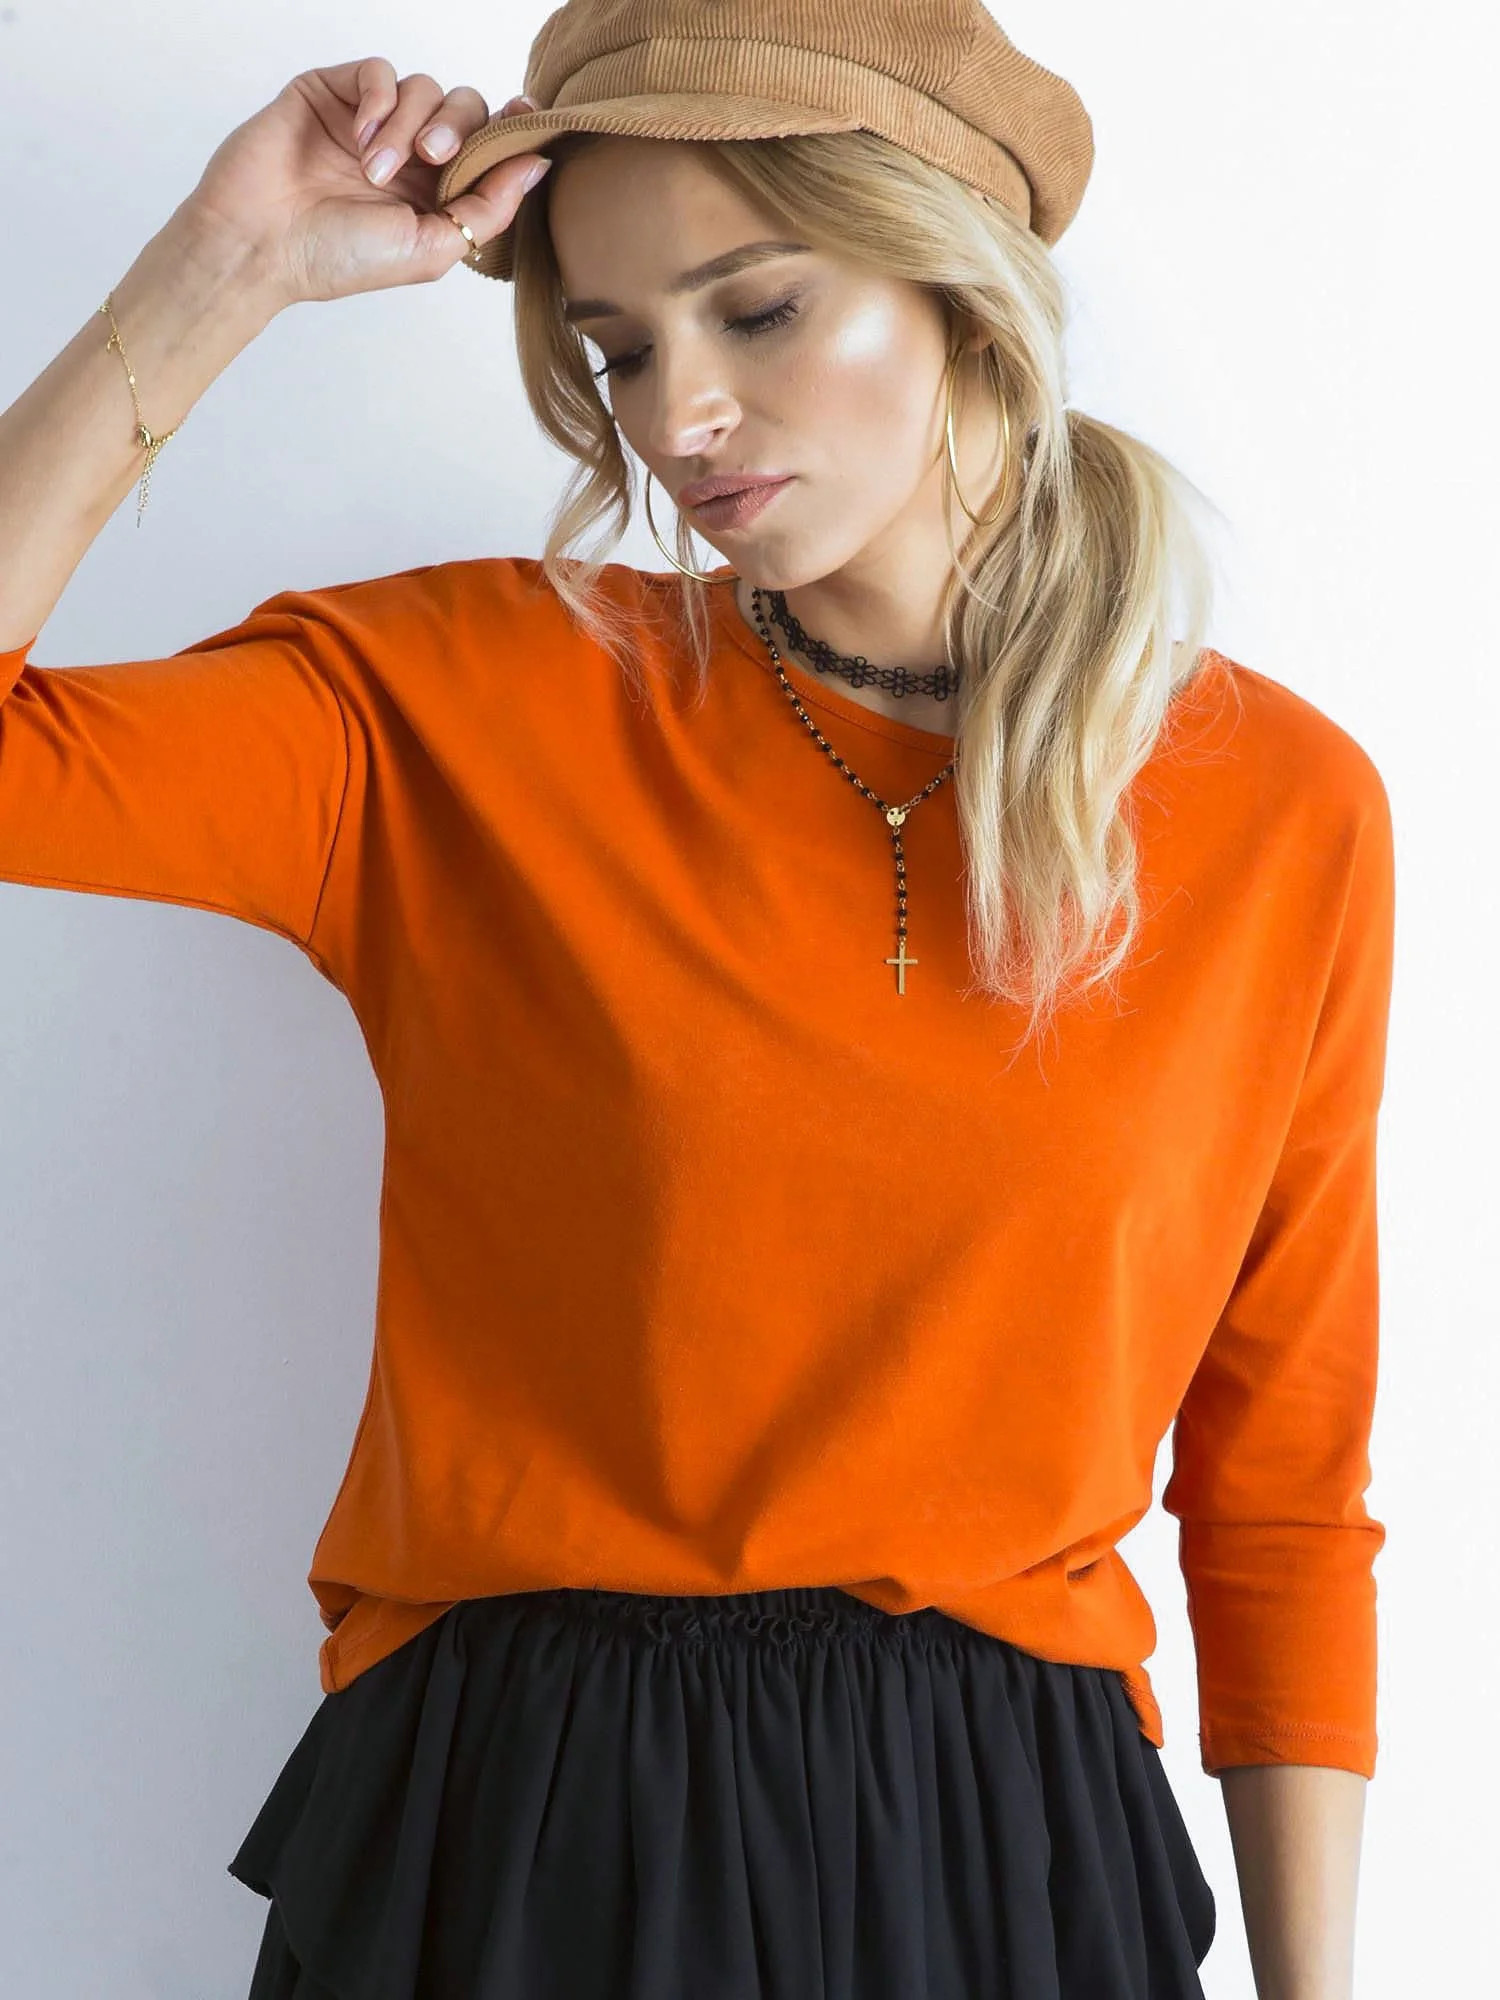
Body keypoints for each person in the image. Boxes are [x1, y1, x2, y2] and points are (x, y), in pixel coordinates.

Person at [0, 4, 1393, 1995]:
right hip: (524, 1825)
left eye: (758, 308)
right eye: (620, 349)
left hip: (1008, 1850)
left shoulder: (1278, 809)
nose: (682, 418)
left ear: (962, 292)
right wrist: (225, 264)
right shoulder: (472, 706)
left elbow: (1283, 1492)